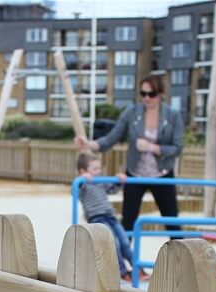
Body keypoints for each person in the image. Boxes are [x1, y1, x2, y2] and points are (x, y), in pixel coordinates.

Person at [75, 73, 184, 279]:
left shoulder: (173, 115)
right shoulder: (132, 113)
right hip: (135, 174)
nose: (146, 98)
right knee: (128, 222)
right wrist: (88, 144)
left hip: (162, 174)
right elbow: (111, 138)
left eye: (151, 94)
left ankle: (185, 267)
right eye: (142, 93)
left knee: (172, 221)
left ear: (160, 94)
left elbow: (178, 147)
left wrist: (153, 147)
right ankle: (123, 270)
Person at [76, 152, 133, 281]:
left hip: (110, 216)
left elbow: (112, 189)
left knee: (124, 240)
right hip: (97, 218)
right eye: (94, 169)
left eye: (99, 168)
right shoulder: (83, 184)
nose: (98, 171)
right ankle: (122, 272)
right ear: (83, 171)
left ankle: (137, 269)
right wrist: (82, 179)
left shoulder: (100, 181)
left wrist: (119, 180)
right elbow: (75, 192)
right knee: (115, 243)